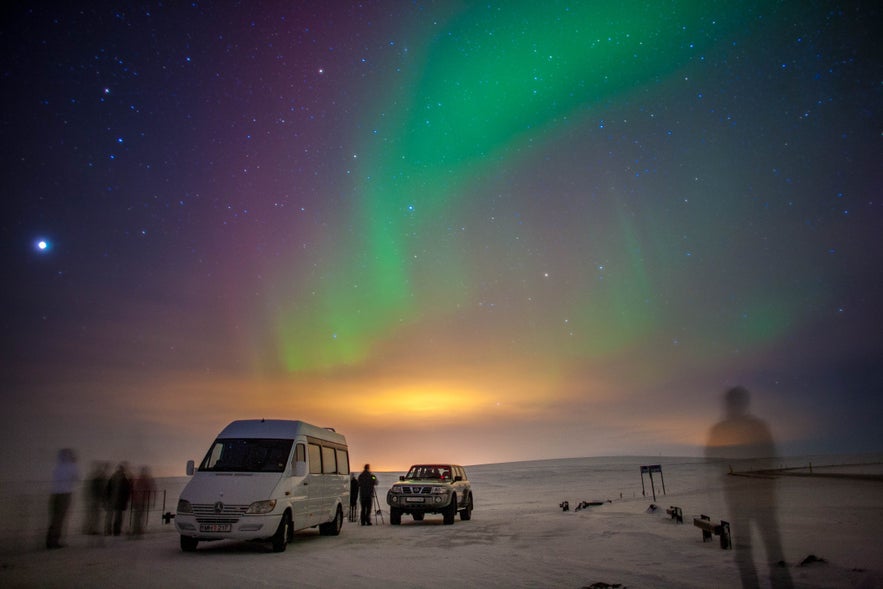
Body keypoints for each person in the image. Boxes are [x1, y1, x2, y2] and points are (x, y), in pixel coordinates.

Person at [705, 386, 794, 588]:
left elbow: (712, 457)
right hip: (750, 500)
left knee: (764, 548)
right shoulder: (748, 427)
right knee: (755, 549)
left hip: (756, 499)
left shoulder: (733, 429)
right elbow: (711, 456)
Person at [46, 448, 79, 549]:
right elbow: (77, 478)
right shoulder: (71, 466)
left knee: (54, 519)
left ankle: (50, 541)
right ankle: (54, 542)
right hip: (65, 494)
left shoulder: (58, 466)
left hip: (55, 494)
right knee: (60, 519)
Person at [83, 461, 109, 535]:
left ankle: (92, 529)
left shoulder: (99, 479)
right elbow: (98, 491)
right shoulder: (98, 479)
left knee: (95, 516)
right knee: (94, 515)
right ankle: (91, 529)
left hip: (96, 500)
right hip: (95, 500)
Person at [105, 463, 131, 536]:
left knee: (112, 516)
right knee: (117, 517)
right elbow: (127, 491)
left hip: (115, 501)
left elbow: (107, 489)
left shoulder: (113, 478)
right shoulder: (124, 480)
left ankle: (109, 530)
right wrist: (126, 500)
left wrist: (107, 498)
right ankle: (115, 531)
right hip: (118, 501)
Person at [131, 466, 156, 536]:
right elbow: (149, 489)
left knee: (138, 516)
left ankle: (137, 529)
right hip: (141, 501)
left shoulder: (139, 480)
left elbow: (136, 490)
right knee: (139, 516)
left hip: (140, 501)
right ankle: (137, 529)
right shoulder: (144, 480)